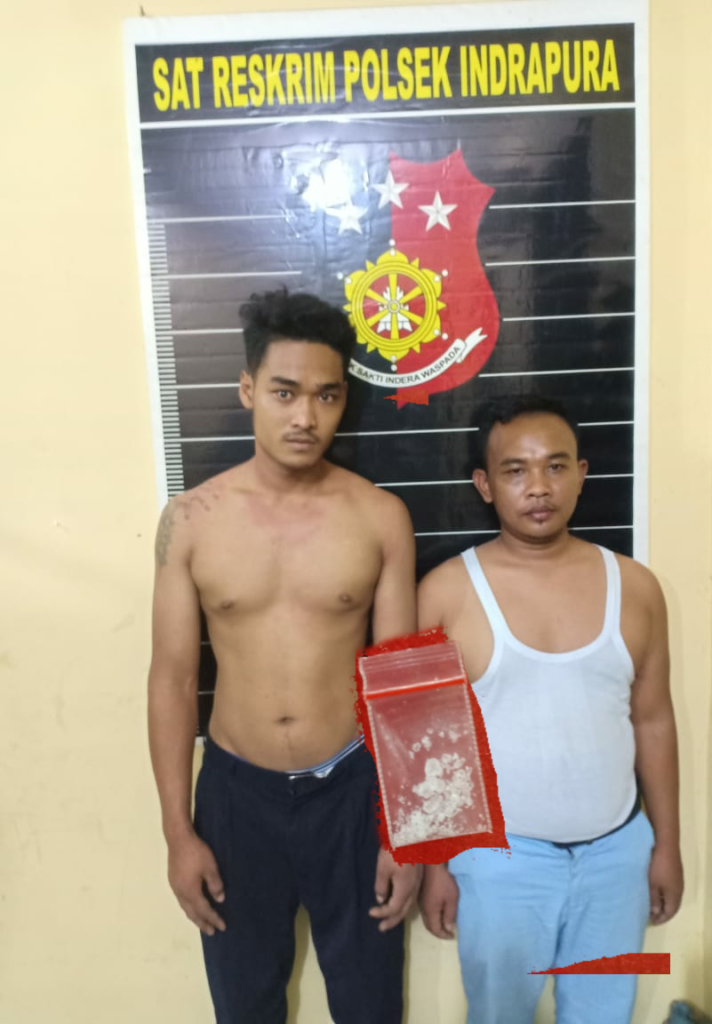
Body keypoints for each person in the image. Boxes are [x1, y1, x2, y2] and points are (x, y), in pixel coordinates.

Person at [147, 290, 420, 1024]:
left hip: (354, 793)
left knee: (371, 1009)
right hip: (237, 798)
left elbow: (401, 680)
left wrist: (410, 830)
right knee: (245, 1009)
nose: (306, 417)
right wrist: (178, 832)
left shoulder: (380, 517)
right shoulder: (190, 522)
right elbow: (172, 681)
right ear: (248, 390)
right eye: (285, 392)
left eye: (326, 396)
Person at [418, 396, 683, 1024]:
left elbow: (653, 720)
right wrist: (435, 867)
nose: (539, 487)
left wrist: (665, 845)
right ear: (484, 484)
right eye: (516, 471)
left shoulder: (636, 587)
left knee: (604, 1014)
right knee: (499, 1014)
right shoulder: (445, 593)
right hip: (498, 862)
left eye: (556, 466)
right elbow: (427, 745)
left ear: (582, 474)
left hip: (617, 854)